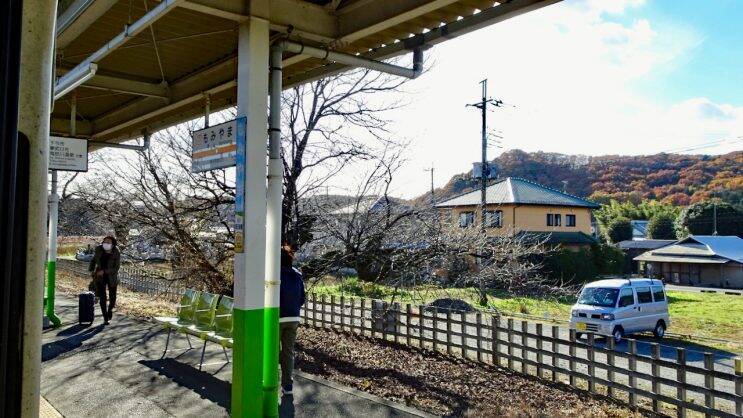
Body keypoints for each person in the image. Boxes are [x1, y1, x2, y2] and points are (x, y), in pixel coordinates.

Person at [279, 245, 305, 396]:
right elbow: (302, 298)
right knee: (288, 352)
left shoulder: (274, 274)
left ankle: (270, 383)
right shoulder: (298, 274)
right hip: (294, 317)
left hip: (277, 316)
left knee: (272, 351)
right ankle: (288, 386)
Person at [88, 236, 121, 325]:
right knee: (103, 297)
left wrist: (105, 271)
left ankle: (110, 310)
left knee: (112, 298)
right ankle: (105, 318)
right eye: (104, 242)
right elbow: (94, 260)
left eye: (108, 242)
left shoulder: (116, 251)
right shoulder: (99, 249)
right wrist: (91, 270)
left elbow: (116, 268)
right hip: (100, 276)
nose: (106, 244)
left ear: (113, 244)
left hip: (112, 276)